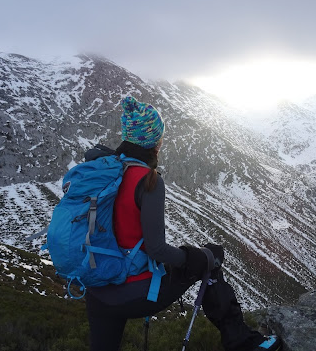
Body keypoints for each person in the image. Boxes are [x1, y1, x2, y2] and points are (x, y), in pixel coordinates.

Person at [84, 96, 281, 351]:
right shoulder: (146, 180)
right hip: (131, 291)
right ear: (153, 141)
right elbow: (156, 250)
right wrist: (195, 258)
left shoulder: (105, 172)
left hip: (96, 289)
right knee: (210, 259)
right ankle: (244, 343)